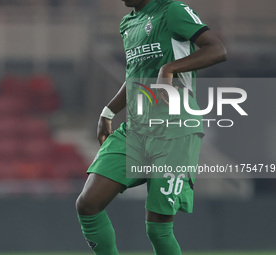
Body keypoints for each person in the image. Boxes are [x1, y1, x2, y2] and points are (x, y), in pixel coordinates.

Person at [76, 0, 227, 254]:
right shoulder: (128, 23)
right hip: (136, 128)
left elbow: (218, 49)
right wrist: (108, 111)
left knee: (157, 229)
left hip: (175, 128)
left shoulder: (173, 10)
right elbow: (134, 75)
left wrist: (170, 68)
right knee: (88, 204)